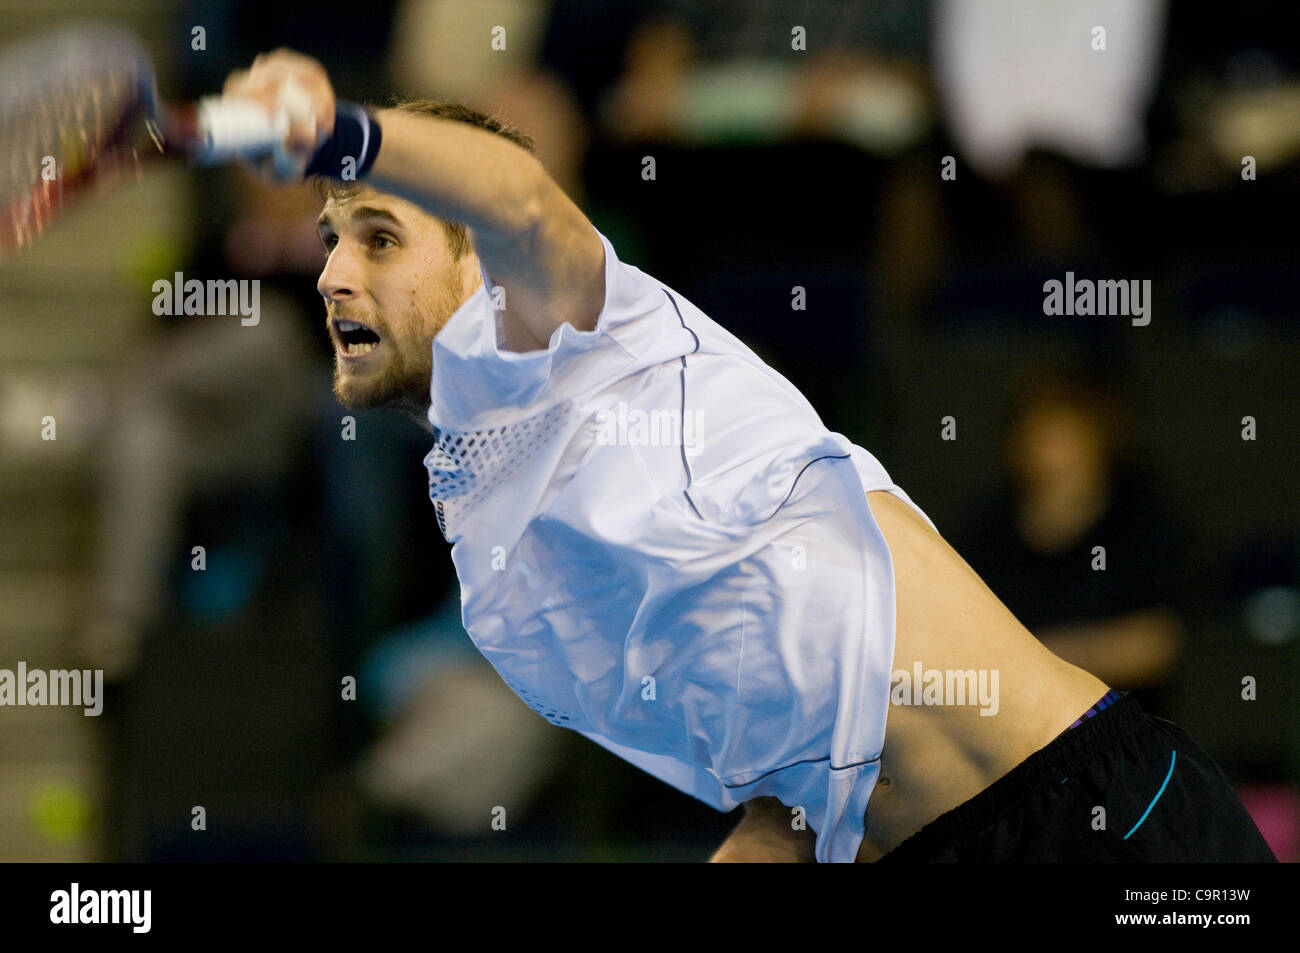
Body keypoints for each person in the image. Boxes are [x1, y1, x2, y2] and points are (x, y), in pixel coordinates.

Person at [218, 49, 1276, 862]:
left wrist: (340, 126)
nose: (333, 276)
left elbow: (518, 191)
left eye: (379, 236)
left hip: (1096, 816)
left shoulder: (590, 340)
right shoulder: (497, 570)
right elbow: (794, 786)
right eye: (329, 243)